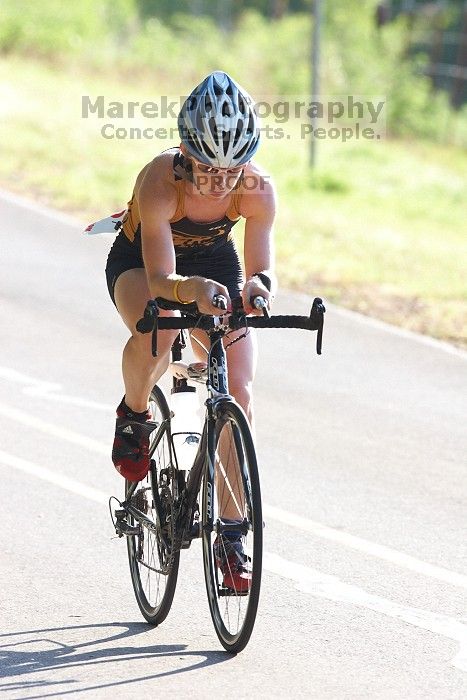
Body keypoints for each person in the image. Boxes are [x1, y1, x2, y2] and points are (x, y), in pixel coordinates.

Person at [105, 71, 276, 590]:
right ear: (184, 152)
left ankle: (230, 535)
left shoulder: (258, 190)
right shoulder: (160, 180)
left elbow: (259, 267)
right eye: (207, 168)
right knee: (161, 331)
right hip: (144, 263)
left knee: (239, 391)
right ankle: (134, 413)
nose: (220, 181)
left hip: (215, 264)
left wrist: (259, 291)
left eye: (232, 170)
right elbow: (161, 280)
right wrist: (193, 291)